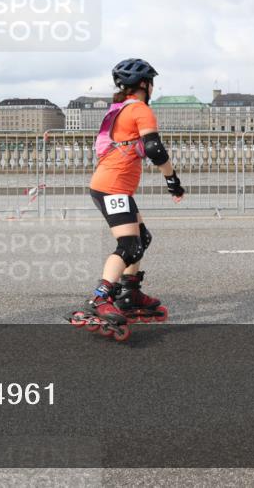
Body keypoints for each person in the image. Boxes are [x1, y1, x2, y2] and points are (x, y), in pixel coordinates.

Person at [72, 58, 185, 341]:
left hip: (111, 186)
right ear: (145, 85)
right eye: (152, 83)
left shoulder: (119, 109)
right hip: (113, 188)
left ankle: (129, 293)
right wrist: (173, 181)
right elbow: (155, 149)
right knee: (129, 245)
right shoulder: (140, 109)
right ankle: (100, 298)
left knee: (141, 238)